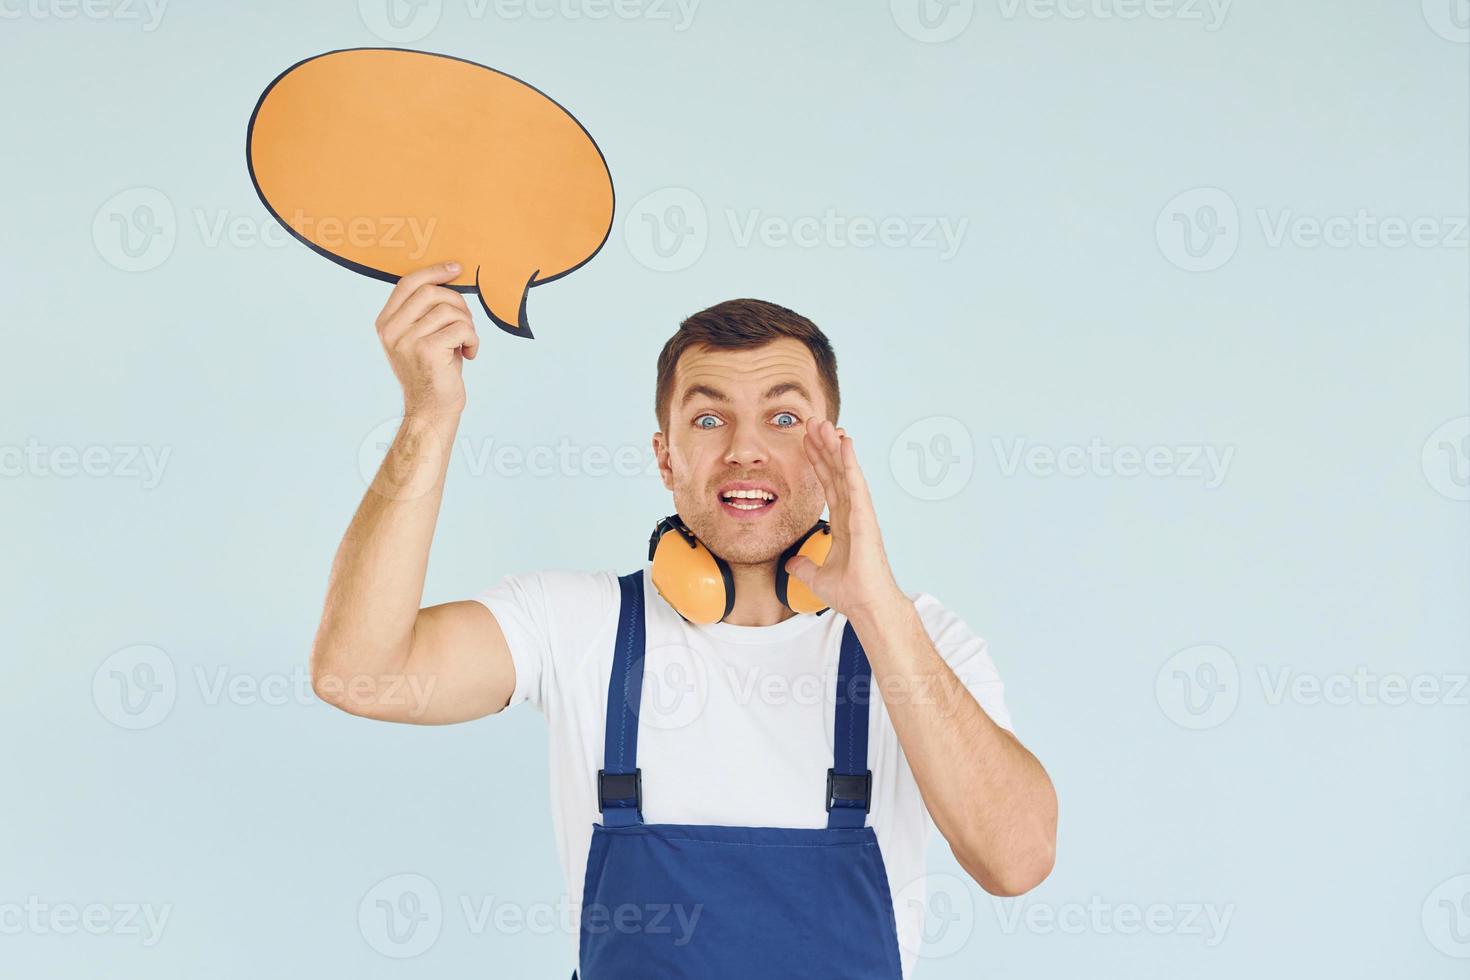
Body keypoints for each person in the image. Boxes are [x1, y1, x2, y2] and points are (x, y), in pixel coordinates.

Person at [310, 262, 1058, 978]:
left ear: (834, 452)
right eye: (708, 418)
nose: (745, 450)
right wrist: (429, 415)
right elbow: (361, 675)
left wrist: (875, 608)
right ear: (666, 458)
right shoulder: (578, 624)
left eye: (785, 417)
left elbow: (1017, 860)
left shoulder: (916, 638)